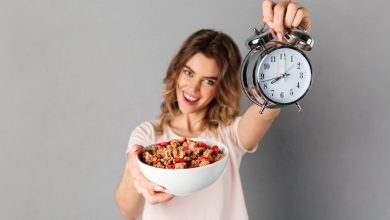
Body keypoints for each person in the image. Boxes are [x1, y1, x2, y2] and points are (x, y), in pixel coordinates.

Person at [115, 0, 311, 219]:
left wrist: (283, 50)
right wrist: (135, 169)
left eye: (208, 81)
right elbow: (128, 211)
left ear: (221, 88)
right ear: (177, 71)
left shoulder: (229, 136)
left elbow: (267, 110)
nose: (193, 89)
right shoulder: (148, 135)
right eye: (189, 73)